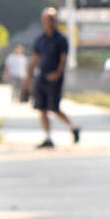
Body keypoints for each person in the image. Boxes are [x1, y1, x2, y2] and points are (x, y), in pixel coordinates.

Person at [31, 9, 80, 147]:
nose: (50, 23)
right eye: (47, 20)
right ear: (43, 21)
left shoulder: (61, 39)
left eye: (52, 20)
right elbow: (35, 58)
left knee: (54, 108)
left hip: (55, 79)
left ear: (56, 21)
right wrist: (28, 76)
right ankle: (47, 138)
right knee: (41, 108)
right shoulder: (40, 39)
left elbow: (64, 59)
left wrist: (57, 74)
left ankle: (73, 127)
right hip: (42, 77)